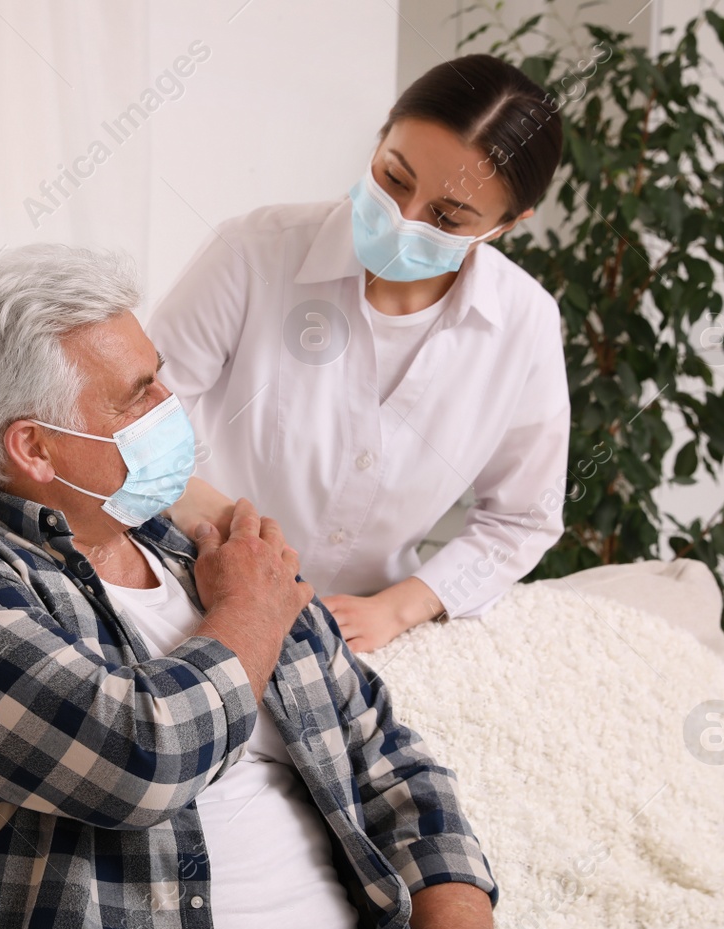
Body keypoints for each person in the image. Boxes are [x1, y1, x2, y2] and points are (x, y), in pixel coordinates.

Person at [0, 244, 546, 929]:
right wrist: (249, 610)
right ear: (34, 448)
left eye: (160, 375)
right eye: (138, 395)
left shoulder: (196, 550)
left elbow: (397, 769)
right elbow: (138, 757)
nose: (172, 405)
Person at [153, 54, 572, 654]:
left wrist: (399, 608)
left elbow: (522, 517)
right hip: (194, 587)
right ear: (380, 141)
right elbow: (136, 422)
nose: (403, 220)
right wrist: (240, 545)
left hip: (363, 634)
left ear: (506, 226)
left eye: (447, 217)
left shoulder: (524, 324)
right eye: (394, 178)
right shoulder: (255, 252)